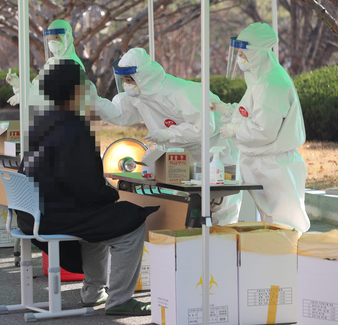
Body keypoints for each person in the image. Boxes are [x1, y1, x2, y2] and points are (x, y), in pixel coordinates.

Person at [17, 59, 160, 316]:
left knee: (102, 221)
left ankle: (93, 293)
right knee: (131, 220)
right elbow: (89, 190)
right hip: (56, 218)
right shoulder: (75, 128)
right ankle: (119, 301)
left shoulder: (40, 124)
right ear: (76, 92)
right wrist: (113, 191)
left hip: (31, 216)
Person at [97, 48, 241, 225]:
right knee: (184, 205)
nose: (127, 85)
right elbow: (121, 114)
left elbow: (205, 127)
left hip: (217, 150)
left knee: (220, 206)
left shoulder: (181, 92)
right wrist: (94, 103)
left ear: (143, 77)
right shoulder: (140, 94)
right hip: (185, 152)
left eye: (129, 80)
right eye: (124, 80)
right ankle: (192, 245)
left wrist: (168, 134)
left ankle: (222, 246)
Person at [214, 22, 310, 233]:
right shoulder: (260, 79)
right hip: (262, 162)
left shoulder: (272, 83)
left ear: (257, 53)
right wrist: (226, 111)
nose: (239, 56)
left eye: (243, 52)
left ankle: (290, 265)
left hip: (275, 165)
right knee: (272, 227)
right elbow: (249, 113)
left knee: (287, 227)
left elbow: (264, 130)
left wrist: (234, 130)